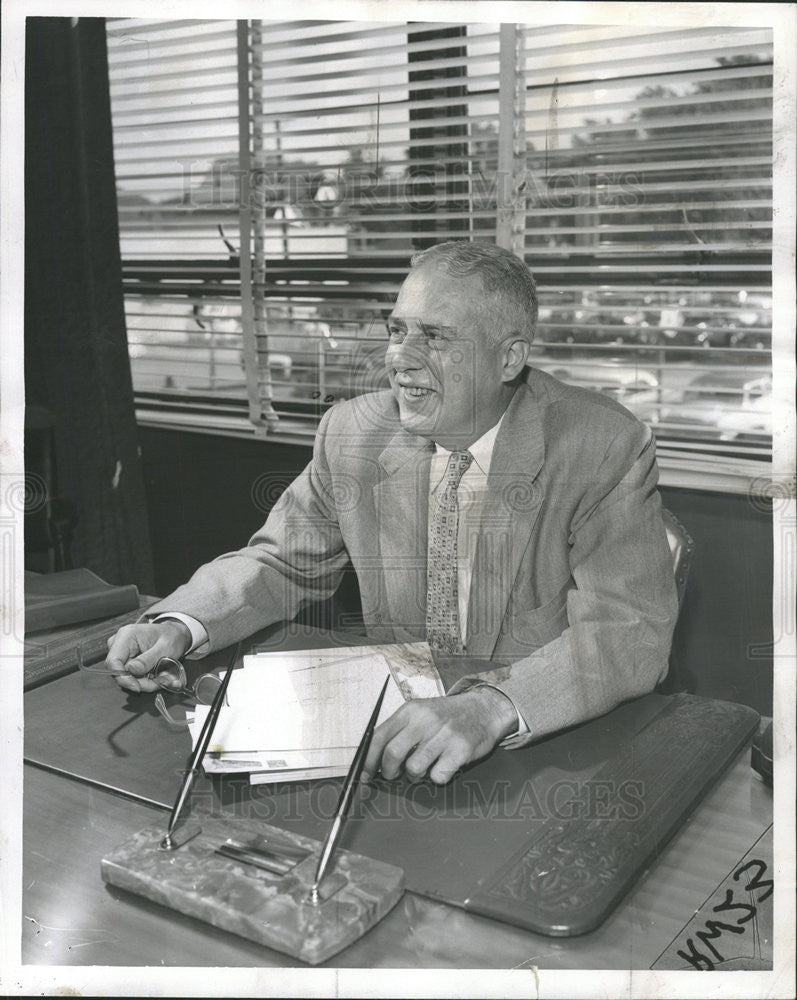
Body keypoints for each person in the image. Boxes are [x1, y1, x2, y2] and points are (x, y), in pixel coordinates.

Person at [106, 241, 678, 784]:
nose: (400, 358)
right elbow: (283, 562)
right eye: (398, 330)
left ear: (509, 358)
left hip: (541, 742)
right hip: (390, 739)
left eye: (434, 336)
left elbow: (628, 629)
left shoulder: (601, 445)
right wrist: (178, 625)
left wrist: (491, 706)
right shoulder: (354, 431)